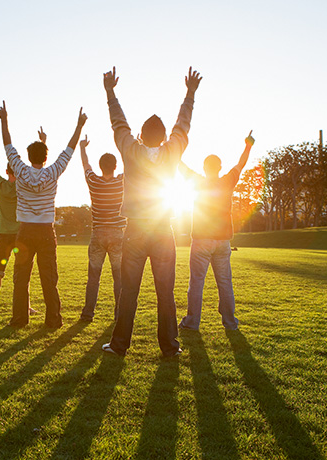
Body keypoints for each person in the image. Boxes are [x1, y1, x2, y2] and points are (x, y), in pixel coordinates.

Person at [101, 66, 202, 357]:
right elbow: (183, 126)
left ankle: (119, 346)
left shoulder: (132, 151)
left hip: (135, 230)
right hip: (162, 230)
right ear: (163, 136)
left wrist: (110, 91)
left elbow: (119, 125)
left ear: (142, 135)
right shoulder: (172, 153)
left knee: (128, 292)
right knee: (164, 292)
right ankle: (170, 347)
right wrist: (190, 93)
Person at [0, 101, 87, 328]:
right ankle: (53, 320)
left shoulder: (19, 169)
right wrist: (79, 125)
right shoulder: (53, 171)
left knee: (21, 278)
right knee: (49, 278)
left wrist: (4, 119)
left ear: (28, 157)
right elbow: (69, 150)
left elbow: (7, 144)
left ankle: (19, 320)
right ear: (46, 158)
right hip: (47, 231)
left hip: (25, 231)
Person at [179, 131, 255, 331]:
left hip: (201, 241)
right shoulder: (227, 181)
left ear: (204, 168)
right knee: (225, 283)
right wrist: (248, 146)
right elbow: (241, 163)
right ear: (220, 167)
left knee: (196, 283)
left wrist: (170, 147)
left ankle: (192, 322)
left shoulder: (197, 181)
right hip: (222, 242)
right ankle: (230, 323)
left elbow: (179, 165)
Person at [0, 128, 37, 316]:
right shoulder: (23, 186)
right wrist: (42, 142)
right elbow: (34, 171)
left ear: (7, 171)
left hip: (3, 236)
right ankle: (27, 306)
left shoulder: (0, 185)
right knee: (23, 273)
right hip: (21, 236)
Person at [78, 135, 126, 322]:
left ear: (100, 167)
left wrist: (83, 148)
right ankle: (118, 314)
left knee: (93, 277)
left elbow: (85, 165)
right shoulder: (121, 181)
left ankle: (88, 313)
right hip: (117, 234)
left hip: (97, 234)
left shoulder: (94, 182)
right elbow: (131, 164)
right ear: (115, 167)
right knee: (119, 278)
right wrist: (131, 145)